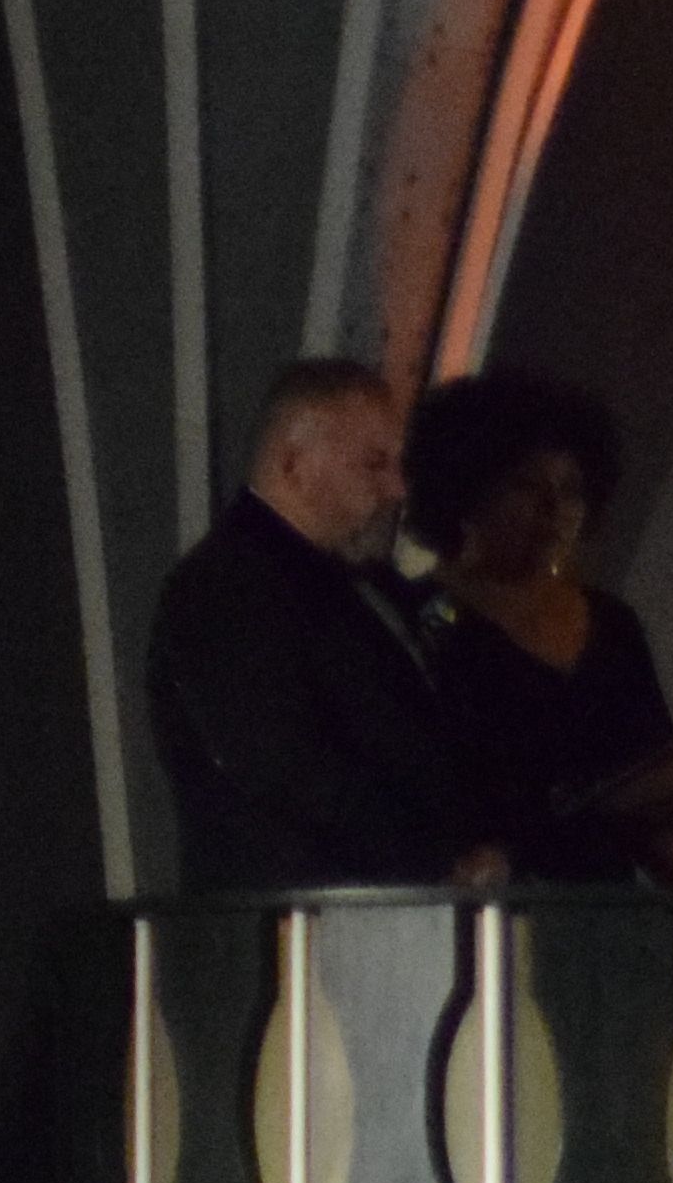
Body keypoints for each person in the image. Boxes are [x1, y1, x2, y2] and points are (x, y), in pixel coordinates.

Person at [146, 357, 487, 889]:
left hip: (375, 918)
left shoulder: (362, 586)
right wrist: (436, 859)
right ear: (293, 462)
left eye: (397, 465)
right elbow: (286, 770)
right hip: (299, 932)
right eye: (373, 464)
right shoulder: (225, 587)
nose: (397, 489)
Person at [407, 368, 673, 882]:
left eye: (572, 491)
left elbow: (657, 785)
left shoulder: (613, 626)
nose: (554, 511)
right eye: (529, 486)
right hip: (487, 910)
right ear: (471, 489)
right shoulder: (421, 622)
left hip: (608, 912)